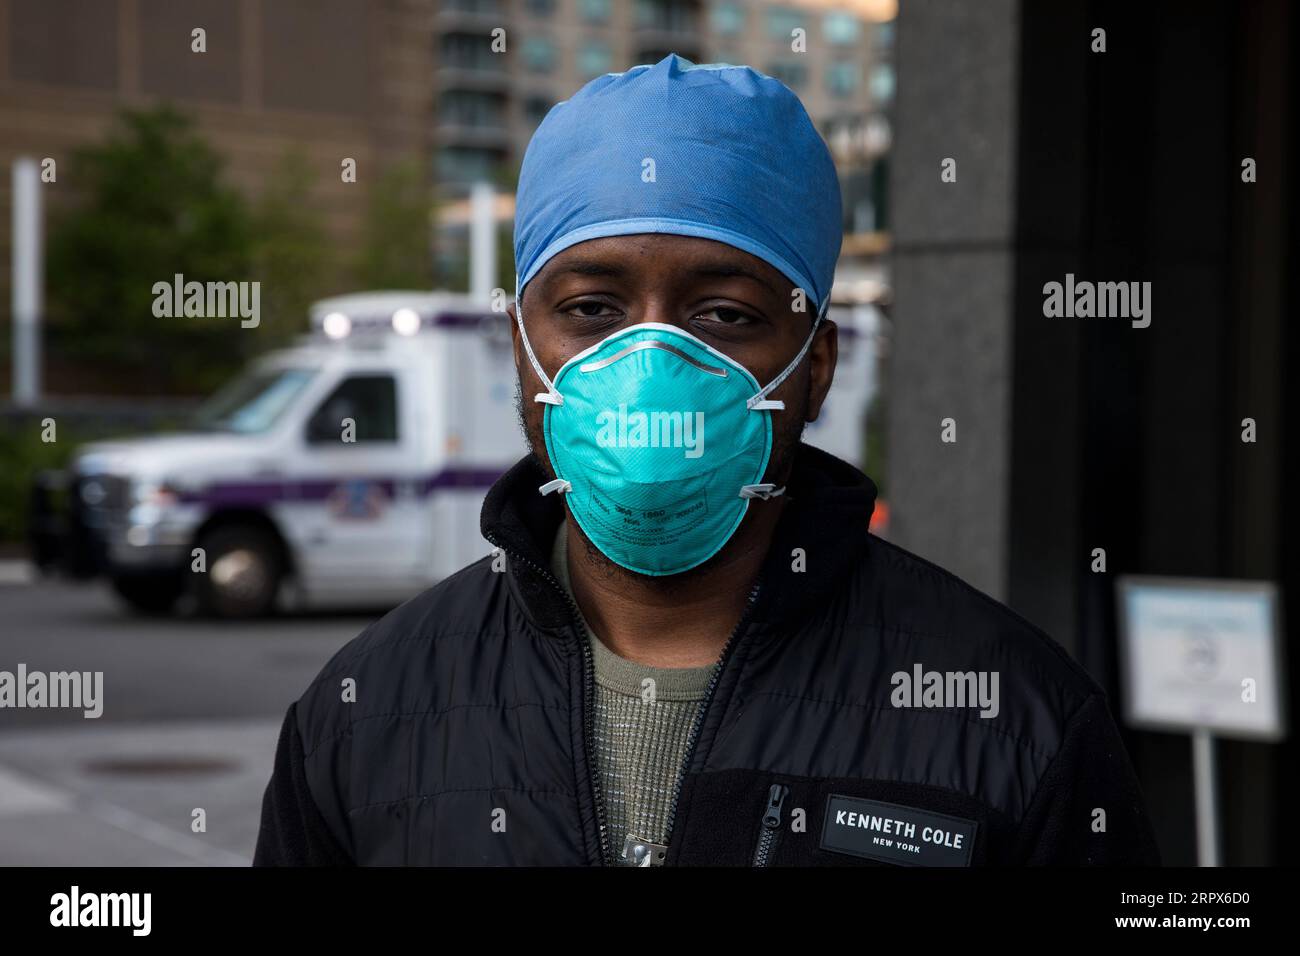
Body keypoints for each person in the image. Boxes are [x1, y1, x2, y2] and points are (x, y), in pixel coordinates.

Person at [254, 54, 1159, 867]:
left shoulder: (1013, 720)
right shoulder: (364, 715)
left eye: (724, 314)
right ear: (519, 351)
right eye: (593, 309)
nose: (649, 370)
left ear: (817, 366)